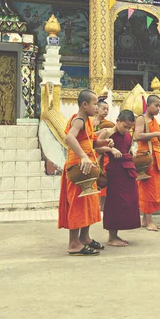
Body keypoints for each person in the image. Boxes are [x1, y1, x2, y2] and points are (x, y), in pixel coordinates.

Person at [58, 89, 114, 256]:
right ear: (84, 105)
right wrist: (83, 156)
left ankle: (85, 237)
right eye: (95, 104)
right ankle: (74, 244)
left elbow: (90, 141)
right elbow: (69, 138)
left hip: (87, 168)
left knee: (88, 204)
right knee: (78, 205)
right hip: (78, 168)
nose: (97, 107)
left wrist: (105, 142)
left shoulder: (87, 121)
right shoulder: (79, 120)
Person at [97, 110, 140, 247]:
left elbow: (127, 148)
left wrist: (132, 149)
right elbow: (96, 148)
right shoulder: (107, 132)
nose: (126, 130)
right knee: (115, 202)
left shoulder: (128, 135)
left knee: (128, 201)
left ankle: (117, 234)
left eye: (129, 127)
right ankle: (111, 237)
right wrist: (110, 150)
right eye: (124, 126)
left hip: (127, 170)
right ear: (117, 121)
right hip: (115, 171)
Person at [135, 95, 160, 232]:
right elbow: (138, 136)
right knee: (148, 190)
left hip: (155, 155)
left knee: (155, 188)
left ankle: (144, 219)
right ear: (148, 105)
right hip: (145, 157)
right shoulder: (142, 118)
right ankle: (149, 222)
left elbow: (154, 140)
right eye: (156, 105)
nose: (158, 108)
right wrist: (156, 134)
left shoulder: (154, 121)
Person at [94, 99, 115, 211]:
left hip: (105, 156)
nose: (106, 111)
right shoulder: (89, 122)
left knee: (104, 181)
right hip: (92, 154)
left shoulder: (109, 124)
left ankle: (103, 207)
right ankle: (95, 206)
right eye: (103, 108)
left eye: (107, 109)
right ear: (97, 109)